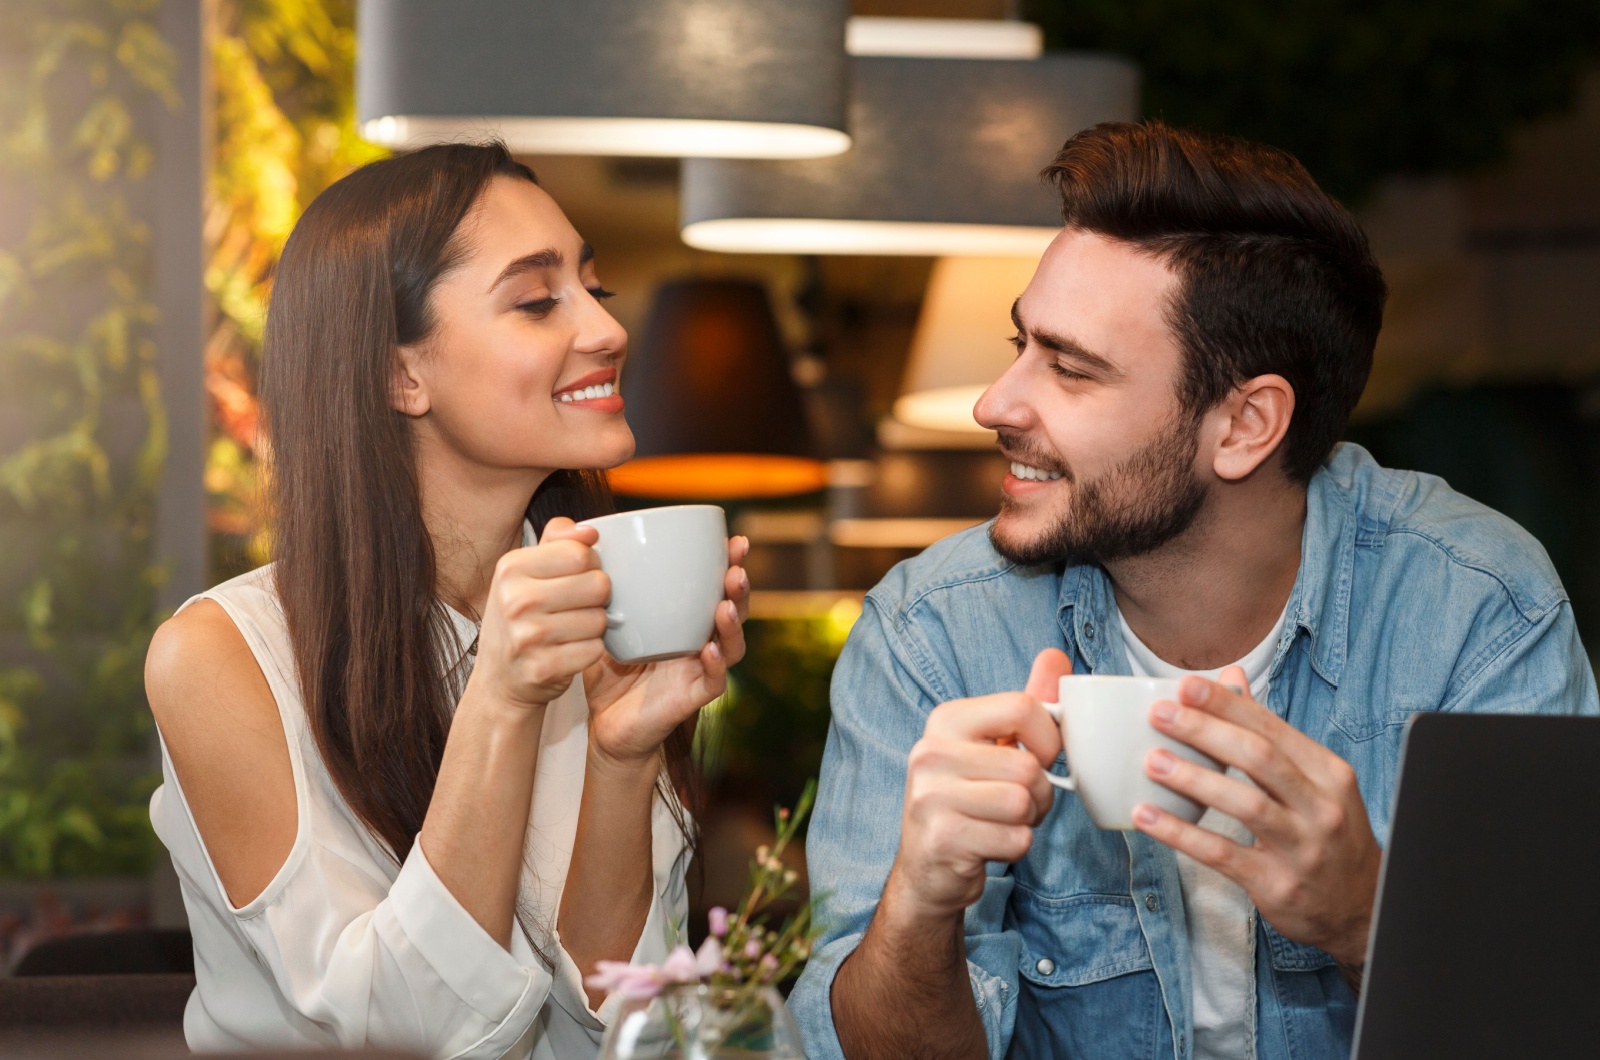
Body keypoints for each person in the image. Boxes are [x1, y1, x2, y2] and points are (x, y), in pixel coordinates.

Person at [788, 121, 1600, 1060]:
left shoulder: (1476, 609)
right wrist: (919, 909)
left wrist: (1369, 922)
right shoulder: (934, 633)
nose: (995, 404)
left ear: (1246, 425)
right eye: (1020, 345)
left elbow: (1551, 1027)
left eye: (1070, 368)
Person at [144, 142, 750, 1058]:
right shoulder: (222, 657)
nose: (607, 328)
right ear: (400, 375)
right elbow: (407, 1034)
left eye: (596, 289)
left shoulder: (605, 615)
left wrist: (623, 758)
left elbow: (622, 1030)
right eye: (539, 299)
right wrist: (502, 700)